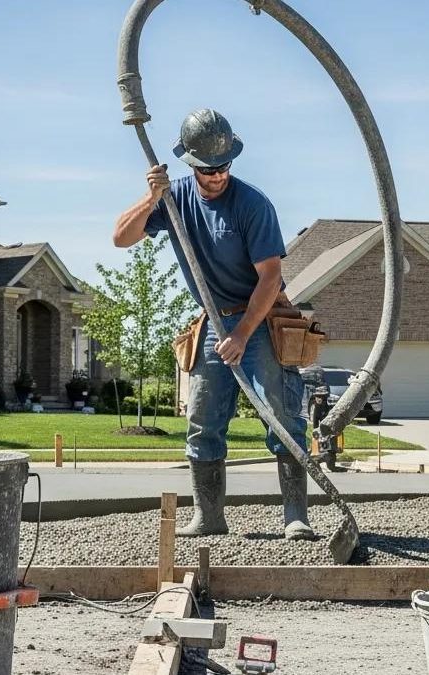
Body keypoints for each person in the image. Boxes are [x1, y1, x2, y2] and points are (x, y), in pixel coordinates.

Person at [113, 108, 314, 541]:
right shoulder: (175, 200)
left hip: (259, 318)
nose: (218, 175)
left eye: (224, 165)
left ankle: (296, 516)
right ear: (189, 162)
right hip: (212, 322)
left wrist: (243, 334)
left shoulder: (253, 205)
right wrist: (151, 199)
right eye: (208, 169)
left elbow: (271, 276)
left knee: (281, 413)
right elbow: (121, 238)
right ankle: (209, 517)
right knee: (203, 419)